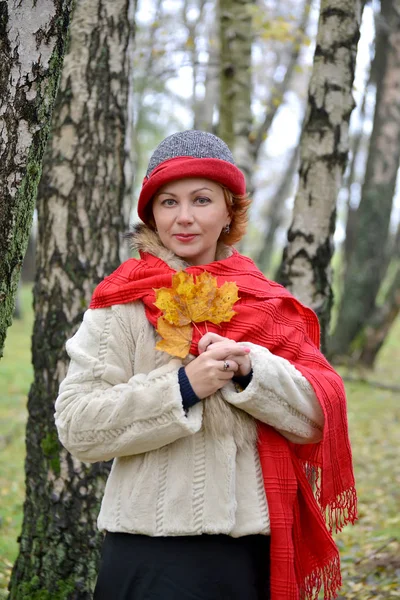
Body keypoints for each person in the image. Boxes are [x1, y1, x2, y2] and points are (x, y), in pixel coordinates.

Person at [54, 130, 357, 600]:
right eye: (169, 202)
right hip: (146, 551)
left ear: (229, 210)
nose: (185, 218)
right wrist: (183, 387)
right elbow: (77, 426)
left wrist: (251, 369)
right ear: (152, 213)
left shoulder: (267, 303)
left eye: (201, 199)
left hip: (248, 554)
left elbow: (318, 419)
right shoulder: (121, 303)